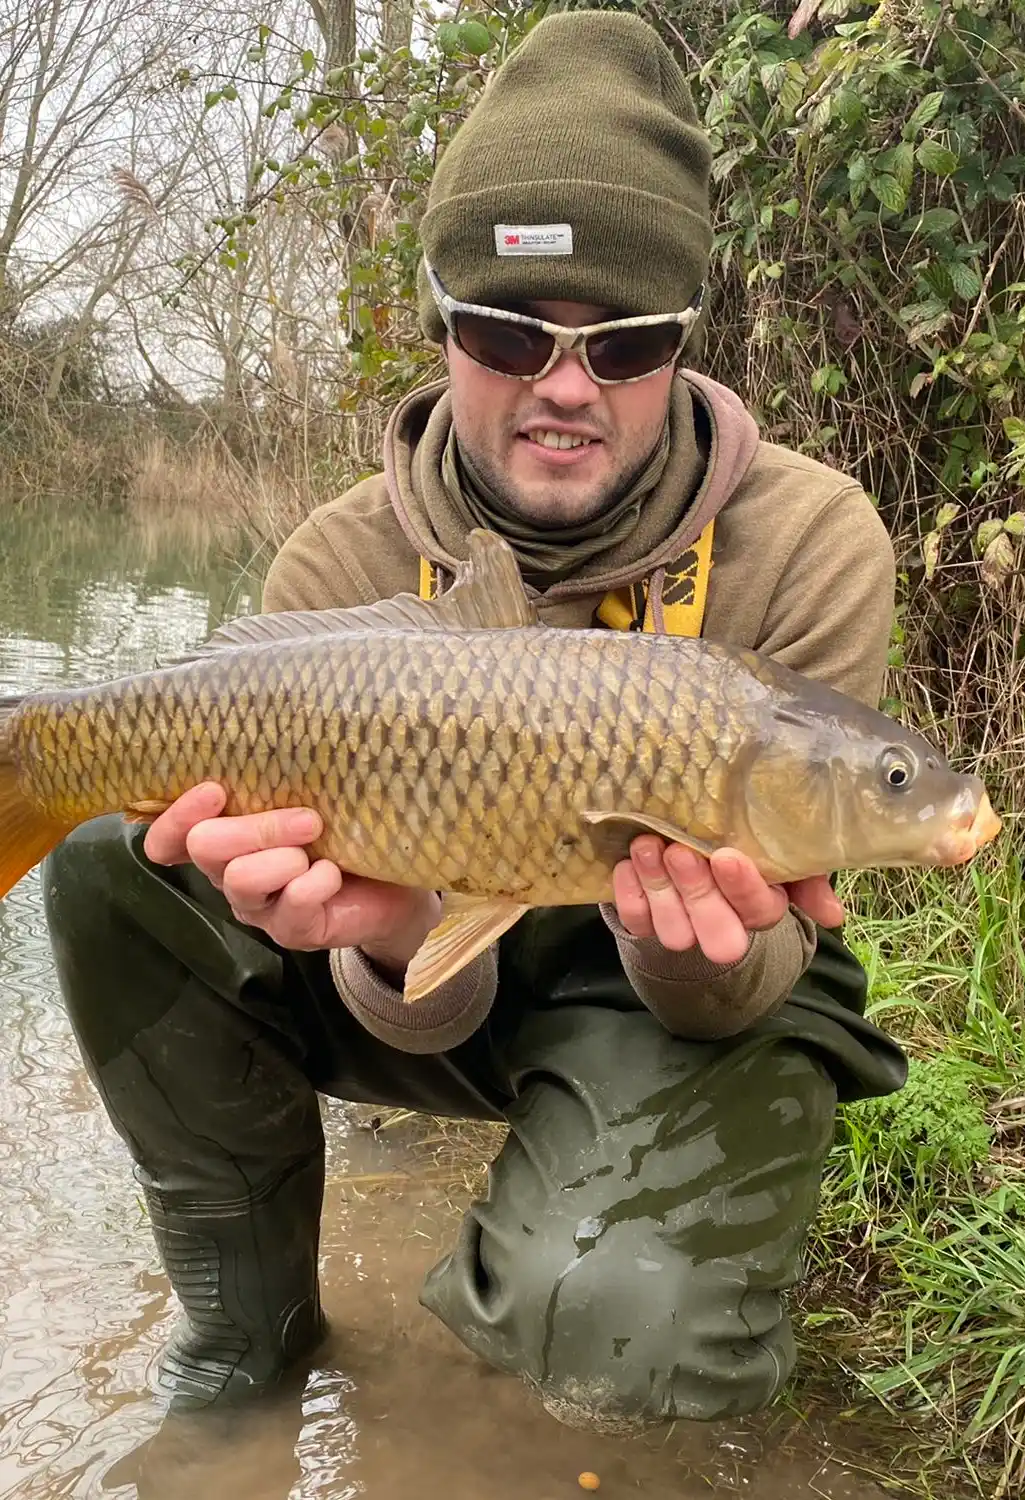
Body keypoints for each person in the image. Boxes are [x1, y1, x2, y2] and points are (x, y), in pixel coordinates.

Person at [41, 8, 907, 1435]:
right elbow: (402, 963)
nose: (565, 385)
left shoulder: (808, 541)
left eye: (622, 344)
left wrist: (699, 931)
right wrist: (385, 925)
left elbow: (744, 990)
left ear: (684, 344)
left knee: (615, 1329)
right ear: (446, 328)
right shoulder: (341, 559)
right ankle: (242, 1343)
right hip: (424, 957)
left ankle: (577, 1320)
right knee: (105, 867)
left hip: (681, 1001)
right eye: (510, 331)